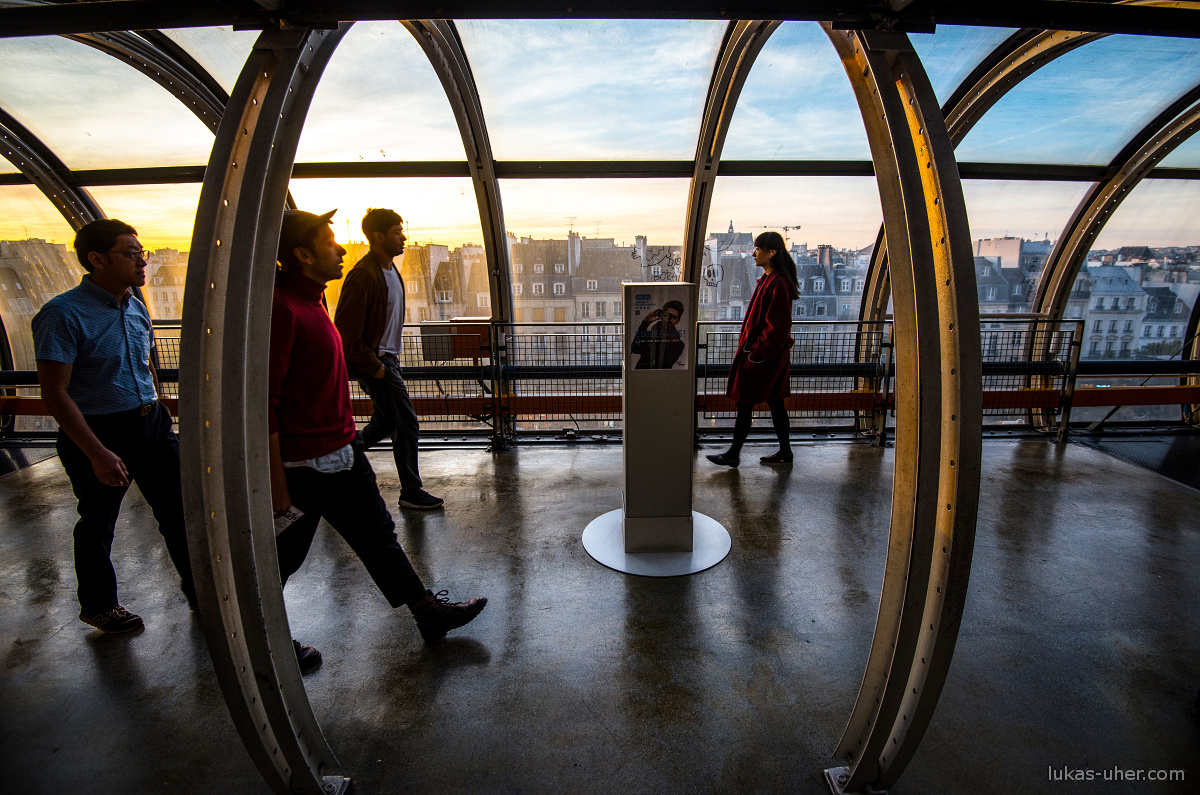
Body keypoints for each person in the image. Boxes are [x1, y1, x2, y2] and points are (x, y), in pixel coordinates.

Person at [270, 208, 486, 669]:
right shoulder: (283, 311)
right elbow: (265, 404)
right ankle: (262, 637)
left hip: (340, 452)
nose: (340, 248)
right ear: (303, 254)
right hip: (303, 467)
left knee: (379, 538)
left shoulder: (310, 302)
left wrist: (349, 441)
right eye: (330, 242)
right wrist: (276, 483)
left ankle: (427, 613)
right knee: (281, 559)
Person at [31, 219, 195, 634]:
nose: (143, 260)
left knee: (181, 514)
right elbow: (55, 394)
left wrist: (157, 406)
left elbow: (147, 362)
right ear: (96, 260)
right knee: (98, 523)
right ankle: (99, 606)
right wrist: (97, 453)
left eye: (143, 252)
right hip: (100, 432)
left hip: (150, 425)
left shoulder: (135, 304)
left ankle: (201, 593)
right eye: (131, 253)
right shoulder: (62, 315)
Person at [334, 208, 442, 510]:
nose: (403, 237)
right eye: (397, 231)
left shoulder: (391, 271)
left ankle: (337, 459)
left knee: (384, 422)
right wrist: (376, 366)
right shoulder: (363, 276)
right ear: (378, 237)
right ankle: (410, 491)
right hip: (378, 362)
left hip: (387, 359)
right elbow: (347, 332)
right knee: (406, 423)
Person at [706, 231, 799, 467]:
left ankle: (734, 454)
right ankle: (783, 451)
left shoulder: (776, 283)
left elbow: (776, 327)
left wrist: (756, 352)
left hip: (763, 357)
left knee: (746, 402)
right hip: (770, 356)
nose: (753, 253)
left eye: (757, 248)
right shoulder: (773, 280)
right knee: (774, 403)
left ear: (771, 252)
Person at [630, 300, 686, 369]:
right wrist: (645, 323)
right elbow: (634, 349)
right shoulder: (650, 334)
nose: (670, 320)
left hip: (662, 377)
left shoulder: (678, 344)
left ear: (678, 321)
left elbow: (665, 364)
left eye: (674, 317)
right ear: (662, 315)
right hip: (641, 374)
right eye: (668, 315)